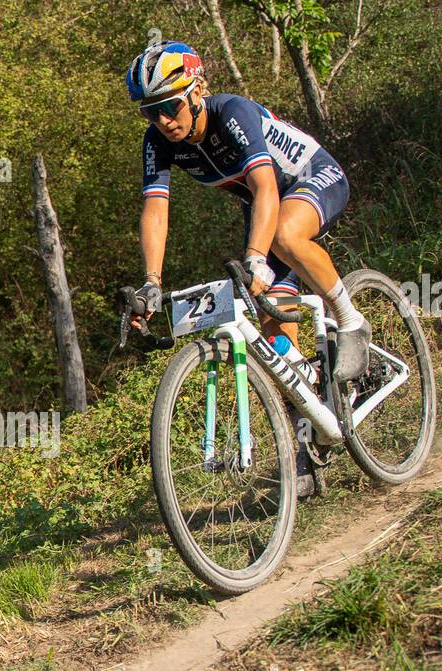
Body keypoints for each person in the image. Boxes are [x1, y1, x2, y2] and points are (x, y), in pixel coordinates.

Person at [125, 41, 370, 496]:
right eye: (149, 112)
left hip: (309, 179)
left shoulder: (231, 113)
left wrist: (257, 257)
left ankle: (351, 320)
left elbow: (265, 187)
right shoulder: (159, 141)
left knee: (282, 239)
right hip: (263, 206)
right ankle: (306, 441)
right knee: (273, 329)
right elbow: (155, 209)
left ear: (197, 90)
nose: (162, 120)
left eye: (169, 106)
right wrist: (151, 284)